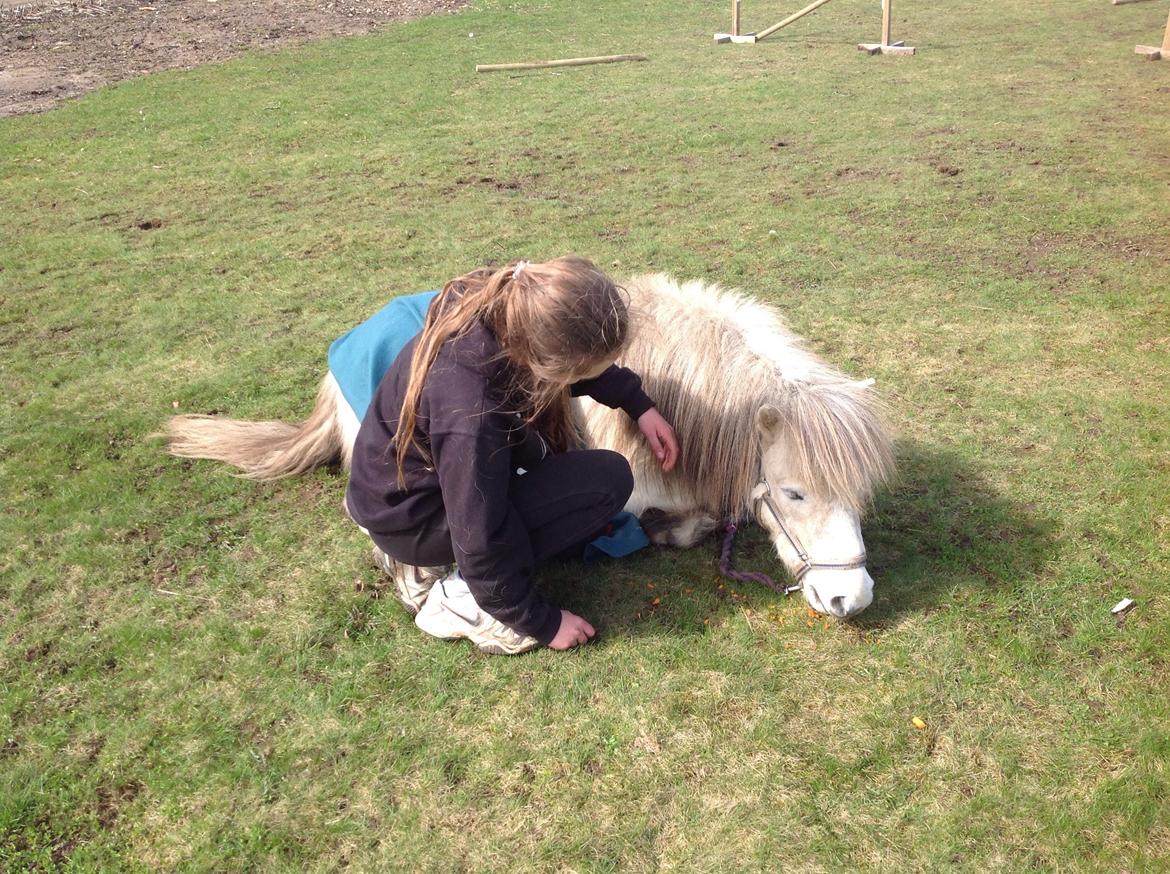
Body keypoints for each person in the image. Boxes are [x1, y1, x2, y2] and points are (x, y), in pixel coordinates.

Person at [344, 256, 679, 655]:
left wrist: (637, 404)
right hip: (411, 521)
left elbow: (583, 361)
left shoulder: (506, 308)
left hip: (407, 491)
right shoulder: (470, 411)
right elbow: (479, 533)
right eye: (581, 372)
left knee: (601, 479)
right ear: (552, 363)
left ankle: (465, 574)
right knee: (604, 483)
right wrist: (544, 622)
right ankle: (463, 599)